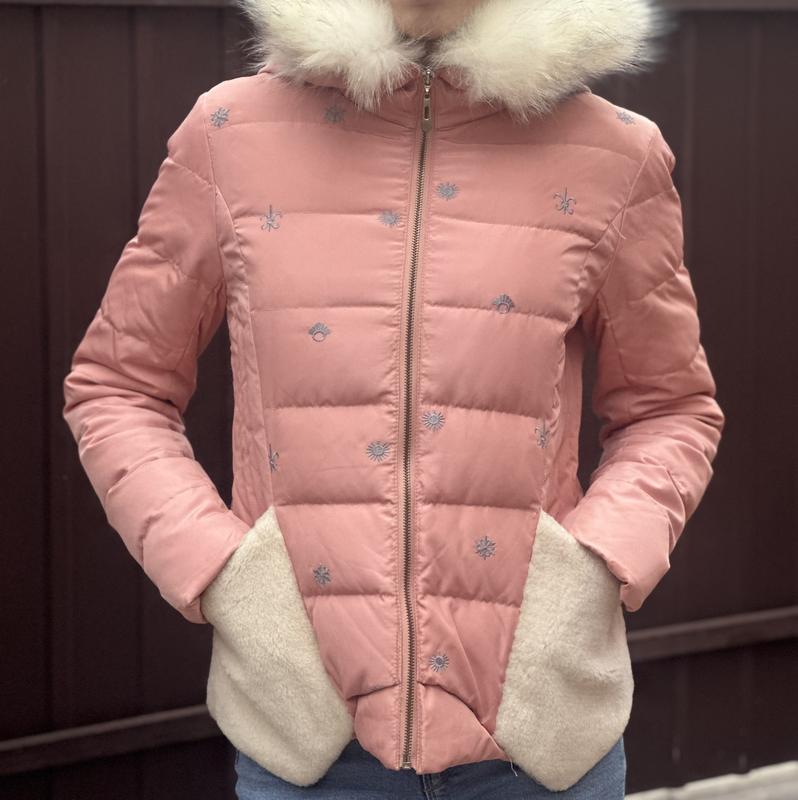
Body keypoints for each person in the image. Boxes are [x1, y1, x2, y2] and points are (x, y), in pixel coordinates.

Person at [62, 0, 726, 797]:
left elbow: (668, 408)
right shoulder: (228, 135)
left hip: (540, 737)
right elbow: (118, 386)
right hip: (309, 743)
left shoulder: (614, 153)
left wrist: (586, 575)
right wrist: (226, 575)